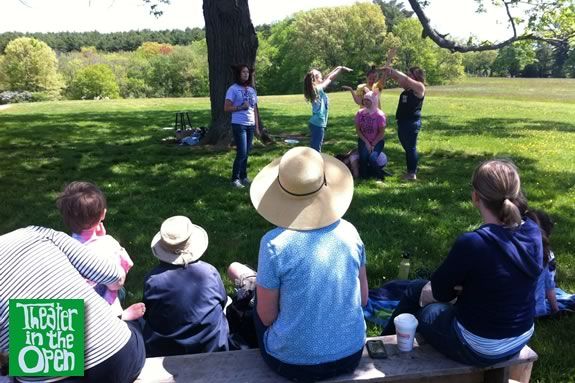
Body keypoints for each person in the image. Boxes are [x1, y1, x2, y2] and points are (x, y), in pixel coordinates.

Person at [382, 159, 543, 367]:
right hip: (520, 336)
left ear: (475, 197)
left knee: (420, 301)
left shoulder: (474, 243)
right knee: (421, 293)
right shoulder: (532, 230)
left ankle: (382, 348)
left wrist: (458, 288)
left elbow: (440, 292)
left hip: (480, 347)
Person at [249, 146, 368, 382]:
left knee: (255, 307)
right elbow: (363, 300)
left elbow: (266, 316)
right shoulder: (350, 232)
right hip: (351, 353)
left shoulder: (274, 244)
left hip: (293, 364)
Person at [0, 226, 146, 382]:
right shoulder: (36, 233)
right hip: (120, 359)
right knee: (130, 326)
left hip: (56, 376)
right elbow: (115, 277)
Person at [142, 215, 230, 357]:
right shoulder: (209, 273)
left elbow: (148, 313)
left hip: (165, 352)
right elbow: (223, 301)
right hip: (211, 349)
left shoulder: (153, 280)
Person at [57, 181, 145, 320]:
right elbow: (117, 282)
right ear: (103, 214)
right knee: (119, 291)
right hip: (99, 307)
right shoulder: (109, 246)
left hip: (73, 305)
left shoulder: (60, 246)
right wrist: (104, 240)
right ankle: (121, 316)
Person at [383, 66, 426, 181]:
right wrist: (389, 72)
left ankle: (411, 174)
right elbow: (399, 79)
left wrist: (392, 69)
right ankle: (413, 167)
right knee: (408, 148)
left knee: (410, 148)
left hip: (411, 123)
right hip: (403, 123)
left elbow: (405, 79)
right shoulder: (407, 89)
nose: (408, 76)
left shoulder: (420, 88)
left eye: (410, 74)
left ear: (416, 76)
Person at [224, 64, 260, 189]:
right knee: (242, 152)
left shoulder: (252, 90)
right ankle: (235, 179)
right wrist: (240, 107)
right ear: (239, 74)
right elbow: (226, 107)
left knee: (247, 152)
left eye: (247, 72)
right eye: (243, 72)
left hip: (250, 125)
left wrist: (256, 126)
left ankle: (244, 177)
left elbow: (254, 109)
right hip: (239, 125)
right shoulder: (232, 89)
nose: (246, 74)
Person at [304, 66, 352, 152]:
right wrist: (340, 69)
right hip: (318, 123)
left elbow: (327, 77)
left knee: (314, 147)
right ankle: (314, 164)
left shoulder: (316, 88)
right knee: (316, 150)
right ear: (315, 79)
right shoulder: (318, 89)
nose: (322, 76)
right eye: (319, 75)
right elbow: (329, 78)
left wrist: (339, 68)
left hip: (316, 122)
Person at [531, 209, 559, 316]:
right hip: (537, 310)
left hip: (516, 311)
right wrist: (555, 310)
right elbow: (550, 286)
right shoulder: (547, 255)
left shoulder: (516, 250)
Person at [355, 90, 387, 179]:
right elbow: (358, 130)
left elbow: (381, 133)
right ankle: (364, 177)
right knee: (363, 158)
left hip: (378, 141)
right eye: (364, 100)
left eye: (368, 100)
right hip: (363, 140)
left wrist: (373, 144)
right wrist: (366, 143)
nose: (365, 102)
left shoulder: (380, 115)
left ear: (374, 101)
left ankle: (380, 176)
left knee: (372, 158)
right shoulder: (360, 113)